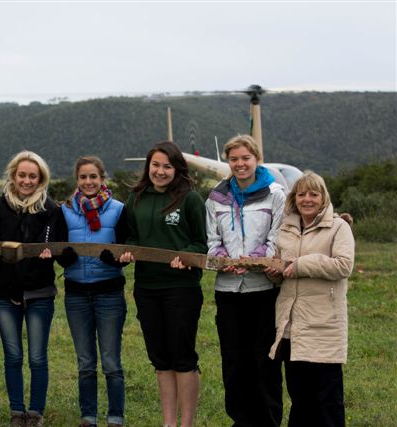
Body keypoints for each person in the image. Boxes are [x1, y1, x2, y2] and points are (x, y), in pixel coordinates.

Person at [119, 141, 207, 427]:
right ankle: (169, 423)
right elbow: (131, 235)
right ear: (148, 167)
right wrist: (130, 249)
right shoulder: (136, 198)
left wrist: (187, 257)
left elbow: (201, 243)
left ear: (177, 168)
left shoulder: (190, 199)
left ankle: (187, 423)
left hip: (181, 288)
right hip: (147, 288)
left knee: (182, 358)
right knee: (160, 360)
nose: (160, 171)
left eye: (167, 166)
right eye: (155, 165)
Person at [205, 134, 285, 426]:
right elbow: (212, 240)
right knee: (234, 360)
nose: (240, 164)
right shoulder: (216, 195)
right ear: (228, 161)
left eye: (245, 158)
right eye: (234, 159)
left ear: (256, 159)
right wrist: (224, 260)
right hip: (228, 290)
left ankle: (268, 420)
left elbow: (278, 237)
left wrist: (252, 262)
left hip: (262, 288)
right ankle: (241, 419)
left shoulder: (275, 194)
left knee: (264, 360)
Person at [0, 151, 63, 427]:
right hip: (6, 292)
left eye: (32, 176)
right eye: (22, 175)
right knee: (13, 355)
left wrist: (49, 252)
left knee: (38, 357)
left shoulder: (50, 208)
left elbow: (54, 245)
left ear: (41, 179)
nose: (26, 180)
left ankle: (36, 413)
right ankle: (17, 412)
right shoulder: (0, 206)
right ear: (13, 176)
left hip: (39, 292)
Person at [267, 171, 354, 427]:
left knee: (328, 401)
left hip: (323, 325)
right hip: (291, 327)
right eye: (302, 194)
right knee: (300, 398)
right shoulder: (286, 228)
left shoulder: (339, 227)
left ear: (323, 198)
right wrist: (275, 273)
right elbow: (282, 270)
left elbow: (343, 265)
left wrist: (300, 264)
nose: (307, 199)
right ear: (294, 198)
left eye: (313, 194)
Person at [57, 156, 129, 427]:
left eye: (93, 177)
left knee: (111, 361)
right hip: (76, 294)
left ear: (102, 179)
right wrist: (62, 258)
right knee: (85, 362)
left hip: (109, 293)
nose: (88, 182)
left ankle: (115, 416)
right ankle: (88, 416)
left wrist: (118, 258)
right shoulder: (64, 211)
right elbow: (57, 247)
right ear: (77, 180)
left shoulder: (119, 209)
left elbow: (127, 246)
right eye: (83, 177)